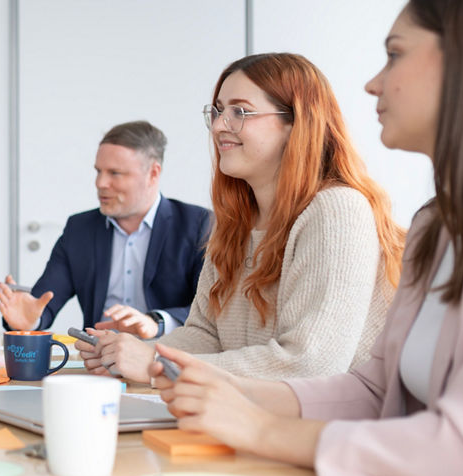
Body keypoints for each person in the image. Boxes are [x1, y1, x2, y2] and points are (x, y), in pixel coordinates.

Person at [152, 0, 463, 476]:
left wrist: (258, 429)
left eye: (395, 55)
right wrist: (225, 393)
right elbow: (372, 389)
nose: (372, 84)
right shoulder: (438, 223)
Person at [79, 53, 406, 382]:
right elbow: (205, 336)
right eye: (219, 111)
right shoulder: (234, 223)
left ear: (296, 123)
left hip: (323, 428)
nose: (220, 126)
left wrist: (155, 363)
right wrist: (129, 352)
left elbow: (308, 364)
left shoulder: (336, 210)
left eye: (240, 112)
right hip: (252, 417)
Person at [0, 121, 211, 337]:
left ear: (153, 173)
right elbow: (44, 302)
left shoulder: (198, 225)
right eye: (99, 171)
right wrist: (30, 320)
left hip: (165, 356)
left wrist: (156, 323)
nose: (100, 183)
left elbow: (210, 309)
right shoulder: (79, 229)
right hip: (97, 358)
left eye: (115, 173)